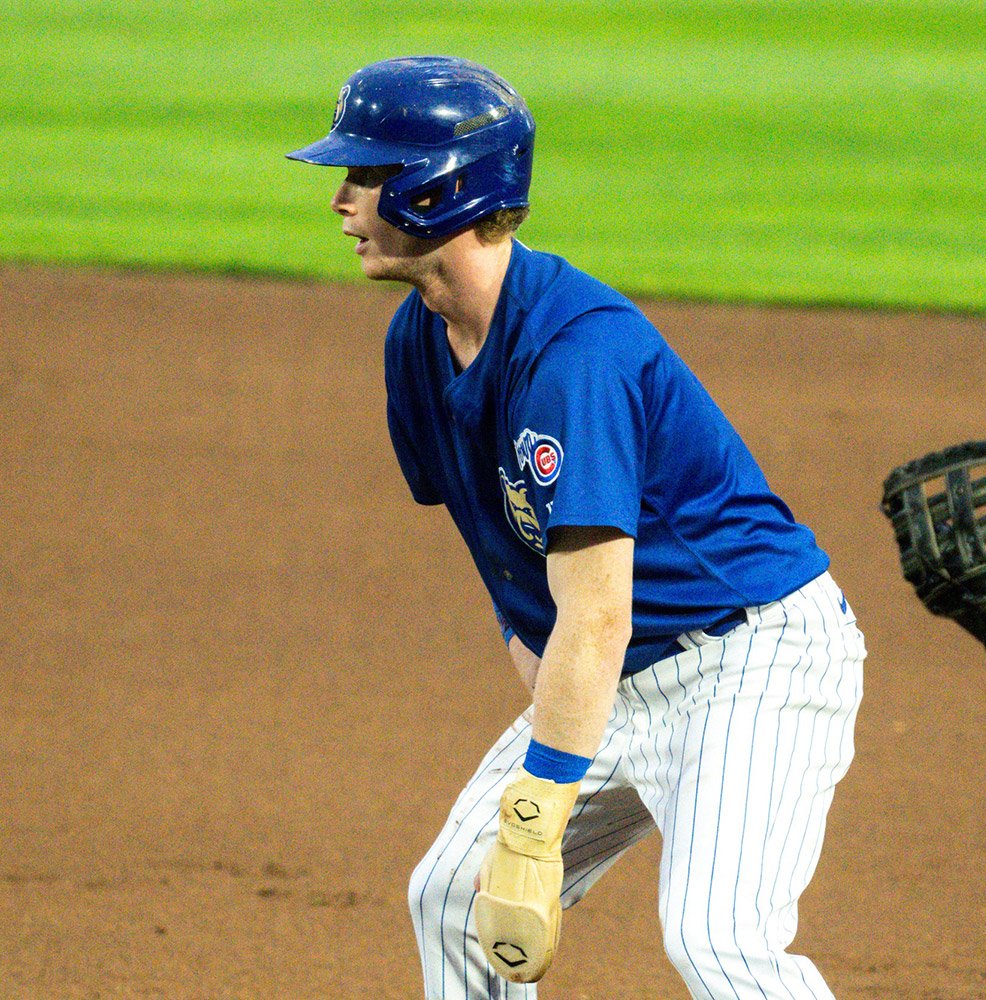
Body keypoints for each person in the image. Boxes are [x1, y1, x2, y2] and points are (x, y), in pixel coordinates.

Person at [287, 56, 865, 1000]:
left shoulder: (577, 356)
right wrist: (545, 735)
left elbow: (595, 614)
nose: (343, 200)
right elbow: (503, 555)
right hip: (612, 671)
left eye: (369, 175)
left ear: (442, 191)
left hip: (750, 663)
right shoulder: (417, 341)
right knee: (452, 897)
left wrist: (537, 813)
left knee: (719, 942)